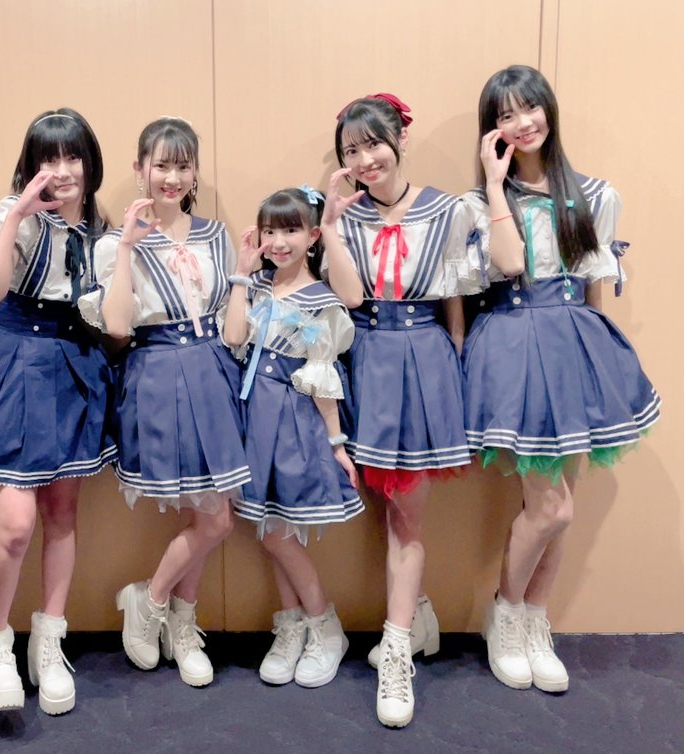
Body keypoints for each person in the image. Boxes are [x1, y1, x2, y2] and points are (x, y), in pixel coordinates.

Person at [464, 65, 660, 695]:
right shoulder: (480, 203)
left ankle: (533, 620)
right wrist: (494, 183)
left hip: (575, 347)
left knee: (557, 511)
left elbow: (593, 287)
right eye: (505, 115)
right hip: (516, 349)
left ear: (549, 109)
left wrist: (600, 359)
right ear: (492, 129)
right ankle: (505, 615)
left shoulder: (595, 194)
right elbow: (509, 263)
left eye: (530, 108)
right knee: (552, 507)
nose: (522, 123)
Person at [79, 117, 248, 687]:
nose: (172, 177)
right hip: (156, 372)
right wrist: (128, 246)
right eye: (161, 165)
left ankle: (162, 609)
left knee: (209, 513)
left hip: (213, 370)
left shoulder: (215, 235)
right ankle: (164, 610)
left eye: (183, 166)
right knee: (207, 515)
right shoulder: (114, 242)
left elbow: (230, 316)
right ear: (140, 169)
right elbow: (117, 325)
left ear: (195, 172)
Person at [0, 108, 113, 715]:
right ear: (31, 166)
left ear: (90, 164)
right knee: (16, 524)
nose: (63, 170)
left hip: (74, 363)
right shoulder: (12, 215)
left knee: (63, 513)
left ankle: (50, 640)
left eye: (73, 156)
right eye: (49, 158)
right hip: (14, 361)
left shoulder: (102, 230)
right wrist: (18, 215)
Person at [329, 94, 481, 727]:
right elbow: (349, 297)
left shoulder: (448, 210)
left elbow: (455, 303)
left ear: (400, 140)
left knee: (408, 512)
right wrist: (331, 226)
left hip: (423, 360)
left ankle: (396, 652)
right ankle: (414, 616)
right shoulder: (347, 219)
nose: (366, 160)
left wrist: (455, 367)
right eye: (351, 151)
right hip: (367, 357)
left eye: (373, 144)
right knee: (389, 505)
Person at [222, 182, 364, 689]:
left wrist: (336, 442)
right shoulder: (256, 285)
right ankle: (291, 628)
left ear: (312, 236)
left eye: (290, 231)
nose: (278, 242)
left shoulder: (322, 302)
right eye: (269, 231)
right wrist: (242, 273)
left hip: (293, 419)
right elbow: (234, 337)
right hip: (252, 415)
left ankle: (324, 625)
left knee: (279, 531)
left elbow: (322, 381)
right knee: (269, 526)